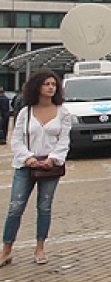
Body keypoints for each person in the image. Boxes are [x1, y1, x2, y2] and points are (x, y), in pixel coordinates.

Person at [1, 71, 71, 266]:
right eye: (46, 84)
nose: (50, 87)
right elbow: (16, 139)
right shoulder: (26, 112)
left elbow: (64, 140)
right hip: (25, 166)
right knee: (15, 207)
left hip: (50, 167)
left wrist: (53, 159)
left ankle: (40, 248)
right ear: (36, 87)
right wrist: (27, 157)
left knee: (44, 207)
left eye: (53, 84)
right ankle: (6, 249)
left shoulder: (63, 112)